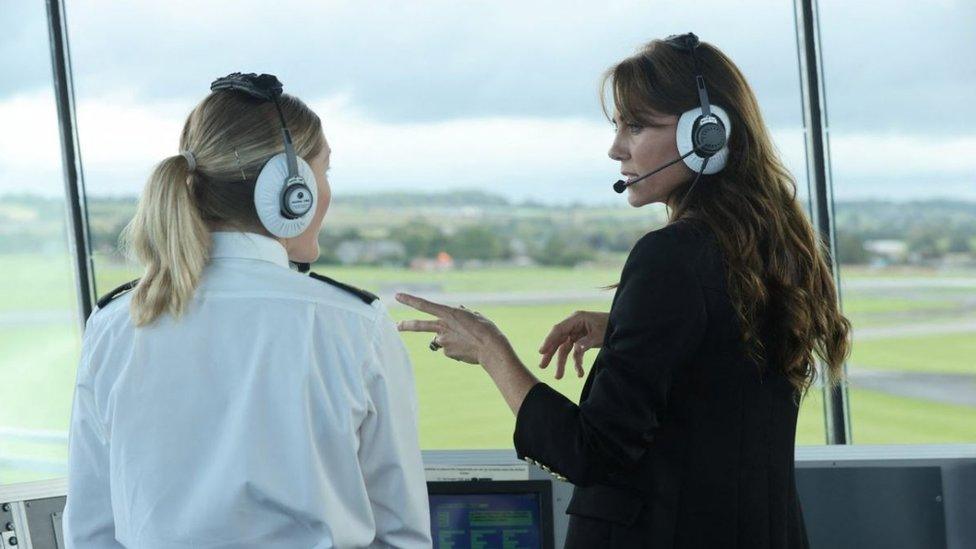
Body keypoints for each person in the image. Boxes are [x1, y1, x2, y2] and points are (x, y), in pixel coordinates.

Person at [396, 34, 850, 548]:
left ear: (706, 134)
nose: (616, 149)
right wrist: (628, 327)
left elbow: (592, 453)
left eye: (636, 126)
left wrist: (491, 351)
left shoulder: (671, 256)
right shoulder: (775, 247)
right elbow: (726, 377)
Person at [62, 73, 431, 548]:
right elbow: (401, 536)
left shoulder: (115, 324)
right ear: (291, 190)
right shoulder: (357, 326)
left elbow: (92, 533)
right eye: (325, 172)